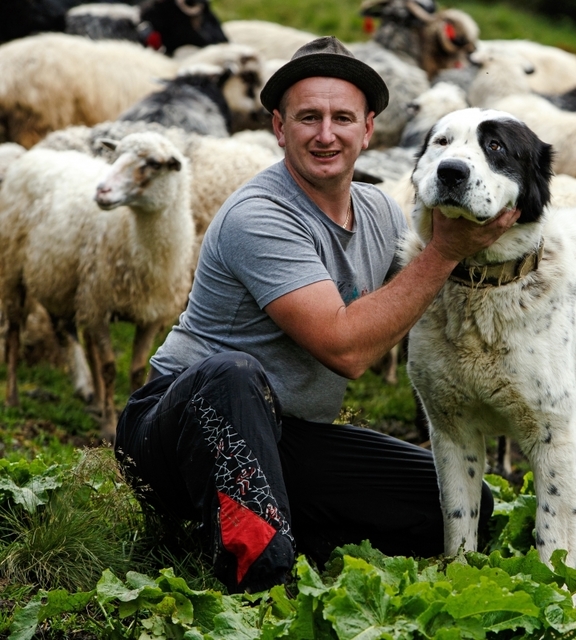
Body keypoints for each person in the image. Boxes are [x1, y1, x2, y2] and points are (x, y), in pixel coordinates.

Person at [114, 36, 520, 593]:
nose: (325, 135)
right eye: (308, 118)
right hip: (178, 429)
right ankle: (261, 577)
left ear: (368, 129)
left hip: (284, 435)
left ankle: (268, 517)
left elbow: (412, 305)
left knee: (464, 502)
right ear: (279, 129)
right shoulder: (259, 216)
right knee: (231, 374)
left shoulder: (379, 209)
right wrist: (445, 251)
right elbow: (346, 348)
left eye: (342, 118)